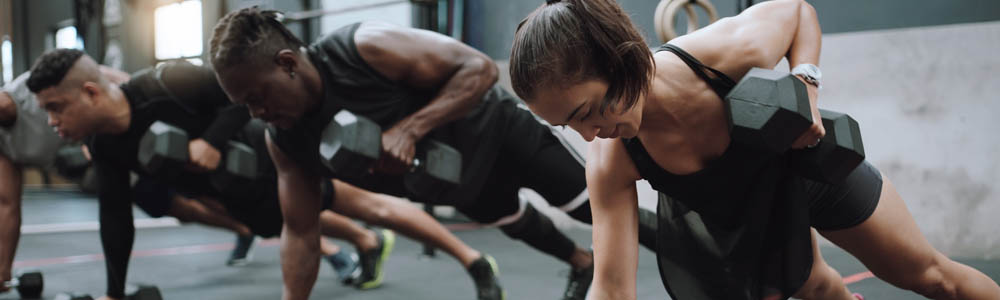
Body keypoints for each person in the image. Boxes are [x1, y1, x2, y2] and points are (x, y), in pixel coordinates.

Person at [508, 0, 1000, 299]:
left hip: (806, 168)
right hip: (736, 209)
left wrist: (805, 83)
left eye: (586, 112)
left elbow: (797, 13)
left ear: (616, 60)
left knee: (934, 279)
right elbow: (613, 289)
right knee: (817, 287)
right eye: (568, 127)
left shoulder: (722, 54)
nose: (589, 135)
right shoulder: (612, 161)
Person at [208, 7, 658, 300]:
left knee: (593, 211)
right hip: (454, 178)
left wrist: (409, 129)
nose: (257, 112)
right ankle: (581, 264)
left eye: (257, 96)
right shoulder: (285, 141)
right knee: (517, 223)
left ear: (287, 63)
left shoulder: (363, 48)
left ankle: (705, 257)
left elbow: (478, 68)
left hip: (499, 133)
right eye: (245, 106)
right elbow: (302, 233)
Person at [28, 50, 496, 299]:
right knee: (300, 223)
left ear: (91, 92)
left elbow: (241, 95)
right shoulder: (103, 145)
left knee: (368, 205)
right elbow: (115, 216)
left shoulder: (165, 83)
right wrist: (114, 294)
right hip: (237, 194)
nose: (51, 122)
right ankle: (368, 243)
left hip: (272, 159)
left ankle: (472, 259)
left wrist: (211, 140)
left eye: (55, 108)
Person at [1, 66, 128, 293]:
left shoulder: (35, 85)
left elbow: (93, 73)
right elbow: (7, 205)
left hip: (104, 143)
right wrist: (3, 272)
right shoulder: (3, 145)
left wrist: (140, 101)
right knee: (168, 203)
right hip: (82, 168)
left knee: (183, 202)